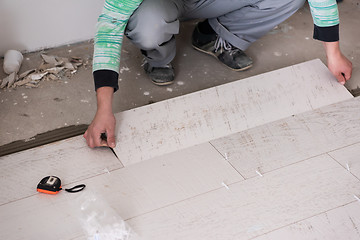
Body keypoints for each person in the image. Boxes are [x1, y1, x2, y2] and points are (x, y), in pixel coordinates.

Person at [84, 0, 352, 148]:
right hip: (162, 4)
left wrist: (333, 53)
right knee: (149, 24)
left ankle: (215, 35)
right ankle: (158, 57)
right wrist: (104, 108)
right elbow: (110, 26)